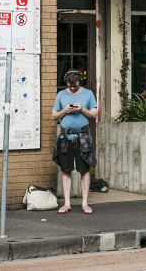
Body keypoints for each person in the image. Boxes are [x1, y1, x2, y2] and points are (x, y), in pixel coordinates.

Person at [51, 70, 99, 214]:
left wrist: (82, 109)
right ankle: (67, 203)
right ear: (67, 83)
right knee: (65, 170)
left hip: (83, 136)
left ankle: (85, 203)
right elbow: (54, 116)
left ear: (79, 83)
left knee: (84, 170)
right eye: (71, 86)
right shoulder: (61, 95)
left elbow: (95, 114)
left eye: (76, 86)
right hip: (65, 137)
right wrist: (65, 110)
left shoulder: (88, 94)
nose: (73, 88)